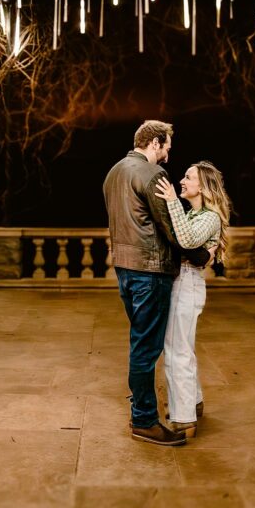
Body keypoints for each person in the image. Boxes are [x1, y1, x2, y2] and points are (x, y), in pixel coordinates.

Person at [103, 120, 211, 446]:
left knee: (140, 340)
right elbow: (172, 229)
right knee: (146, 348)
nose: (167, 154)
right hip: (151, 272)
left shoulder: (113, 173)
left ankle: (145, 411)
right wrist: (202, 254)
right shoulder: (152, 176)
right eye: (166, 147)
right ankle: (144, 420)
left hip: (123, 269)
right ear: (155, 142)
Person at [154, 161, 232, 438]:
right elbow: (181, 241)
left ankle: (184, 417)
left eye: (188, 177)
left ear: (204, 187)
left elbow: (185, 241)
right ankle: (194, 402)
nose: (182, 181)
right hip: (185, 280)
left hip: (187, 283)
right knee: (182, 346)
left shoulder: (210, 217)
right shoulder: (194, 214)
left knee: (177, 351)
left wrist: (173, 201)